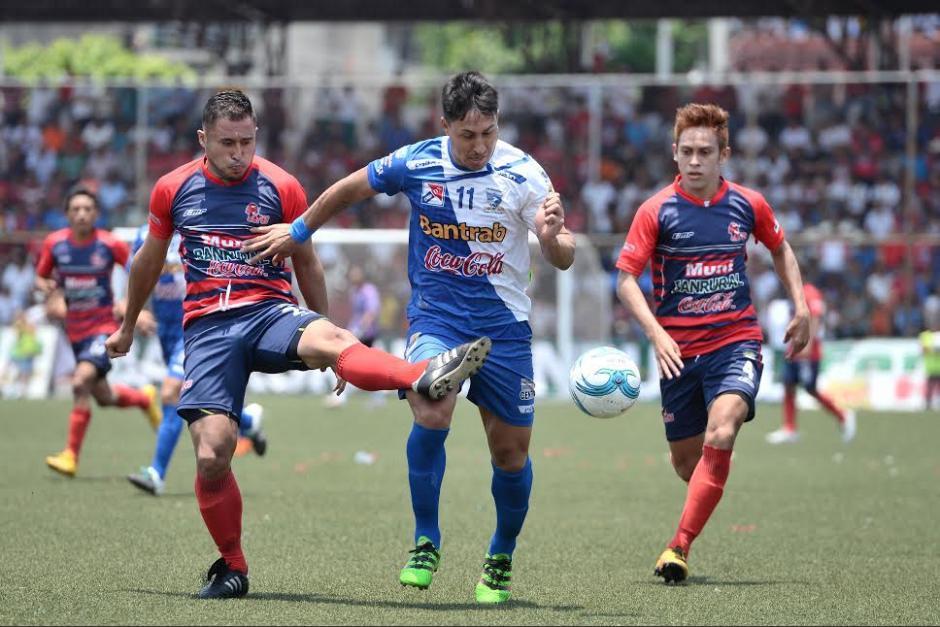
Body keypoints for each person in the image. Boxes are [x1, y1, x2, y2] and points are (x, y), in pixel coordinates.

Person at [106, 89, 491, 600]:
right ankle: (233, 567)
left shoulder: (281, 186)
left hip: (269, 312)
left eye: (247, 141)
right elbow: (149, 261)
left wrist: (324, 328)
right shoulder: (172, 189)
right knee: (212, 455)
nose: (239, 152)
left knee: (335, 338)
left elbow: (305, 262)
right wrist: (129, 324)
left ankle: (420, 374)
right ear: (204, 139)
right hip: (208, 330)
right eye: (227, 143)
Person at [242, 71, 575, 604]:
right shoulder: (417, 162)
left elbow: (562, 256)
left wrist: (555, 237)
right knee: (430, 406)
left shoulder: (523, 173)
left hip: (504, 329)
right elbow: (349, 188)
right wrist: (300, 230)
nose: (479, 145)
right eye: (467, 134)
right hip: (437, 320)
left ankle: (501, 554)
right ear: (445, 125)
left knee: (510, 455)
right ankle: (426, 539)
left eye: (488, 132)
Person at [615, 103, 810, 584]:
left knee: (721, 431)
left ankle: (678, 547)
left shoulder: (748, 203)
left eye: (706, 151)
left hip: (735, 342)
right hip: (677, 356)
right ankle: (712, 470)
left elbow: (781, 247)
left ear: (724, 154)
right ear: (674, 154)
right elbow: (625, 280)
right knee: (688, 463)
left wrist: (801, 306)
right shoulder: (655, 211)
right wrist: (657, 333)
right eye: (687, 151)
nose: (696, 160)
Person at [124, 225, 269, 497]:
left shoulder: (201, 227)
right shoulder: (147, 234)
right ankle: (248, 420)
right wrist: (134, 309)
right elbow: (137, 273)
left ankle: (156, 474)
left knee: (169, 392)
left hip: (196, 325)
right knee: (191, 399)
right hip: (164, 329)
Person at [35, 186, 162, 478]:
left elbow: (141, 270)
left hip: (103, 328)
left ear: (96, 214)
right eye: (76, 209)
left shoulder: (109, 244)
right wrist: (48, 293)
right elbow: (41, 278)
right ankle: (143, 399)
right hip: (75, 332)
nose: (81, 214)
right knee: (103, 397)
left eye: (87, 209)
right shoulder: (55, 245)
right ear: (66, 214)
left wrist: (132, 306)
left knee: (80, 381)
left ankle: (70, 456)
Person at [766, 282, 856, 444]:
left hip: (808, 352)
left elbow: (815, 319)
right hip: (794, 348)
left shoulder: (811, 292)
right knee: (788, 385)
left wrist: (807, 345)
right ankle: (790, 428)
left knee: (811, 389)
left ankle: (842, 414)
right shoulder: (794, 291)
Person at [323, 263, 384, 407]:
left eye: (356, 273)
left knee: (344, 359)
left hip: (365, 334)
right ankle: (376, 398)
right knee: (366, 365)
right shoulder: (354, 291)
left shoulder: (369, 290)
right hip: (356, 333)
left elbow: (371, 312)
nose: (353, 276)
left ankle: (340, 397)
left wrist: (361, 329)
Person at [921, 317, 940, 410]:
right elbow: (923, 349)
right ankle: (928, 404)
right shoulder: (925, 335)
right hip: (931, 366)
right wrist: (933, 349)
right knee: (930, 386)